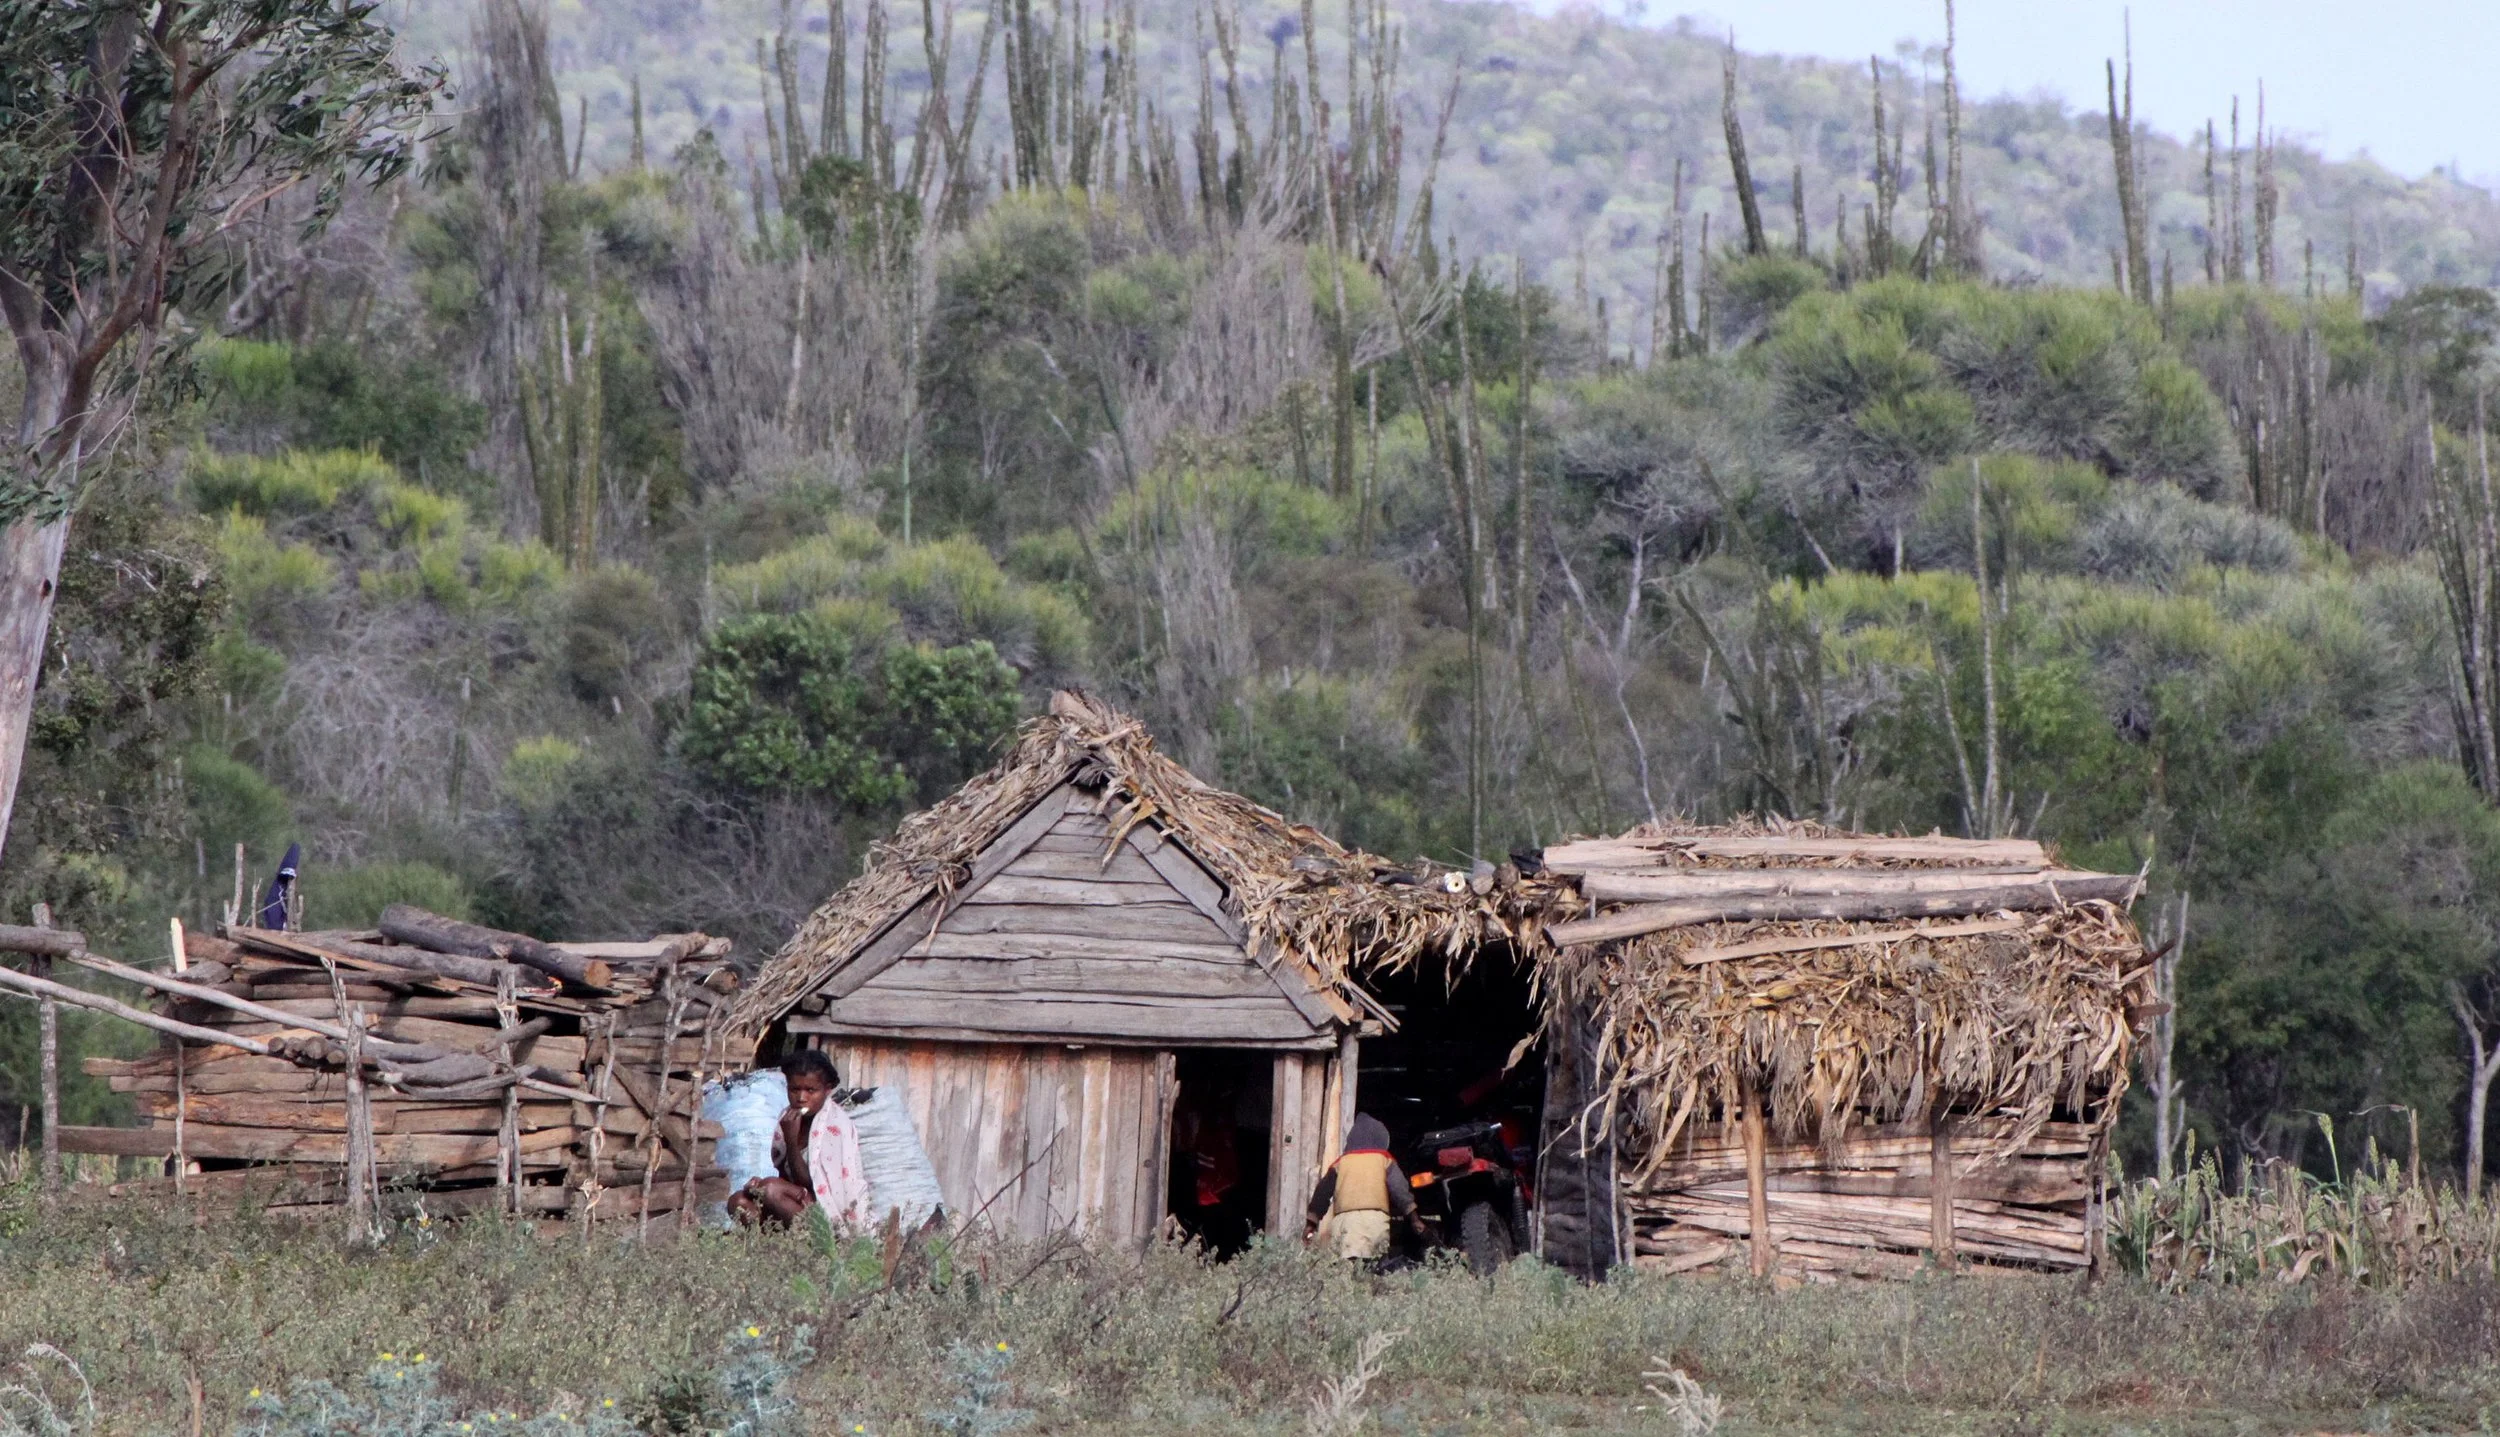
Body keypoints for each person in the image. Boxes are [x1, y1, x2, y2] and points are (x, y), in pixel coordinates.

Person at [727, 1049, 870, 1229]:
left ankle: (812, 1247)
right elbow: (786, 1177)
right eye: (795, 1089)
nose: (801, 1098)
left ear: (827, 1090)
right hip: (795, 1206)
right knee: (738, 1201)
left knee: (771, 1189)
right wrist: (757, 1186)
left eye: (811, 1090)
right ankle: (769, 1249)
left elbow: (815, 1185)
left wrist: (791, 1141)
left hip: (826, 1216)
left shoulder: (835, 1126)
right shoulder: (787, 1118)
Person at [1304, 1113, 1425, 1261]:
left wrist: (1311, 1223)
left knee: (1346, 1271)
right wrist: (1414, 1219)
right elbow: (1400, 1191)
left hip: (1345, 1224)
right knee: (1375, 1268)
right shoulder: (1385, 1160)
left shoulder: (1340, 1163)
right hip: (1375, 1222)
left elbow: (1321, 1194)